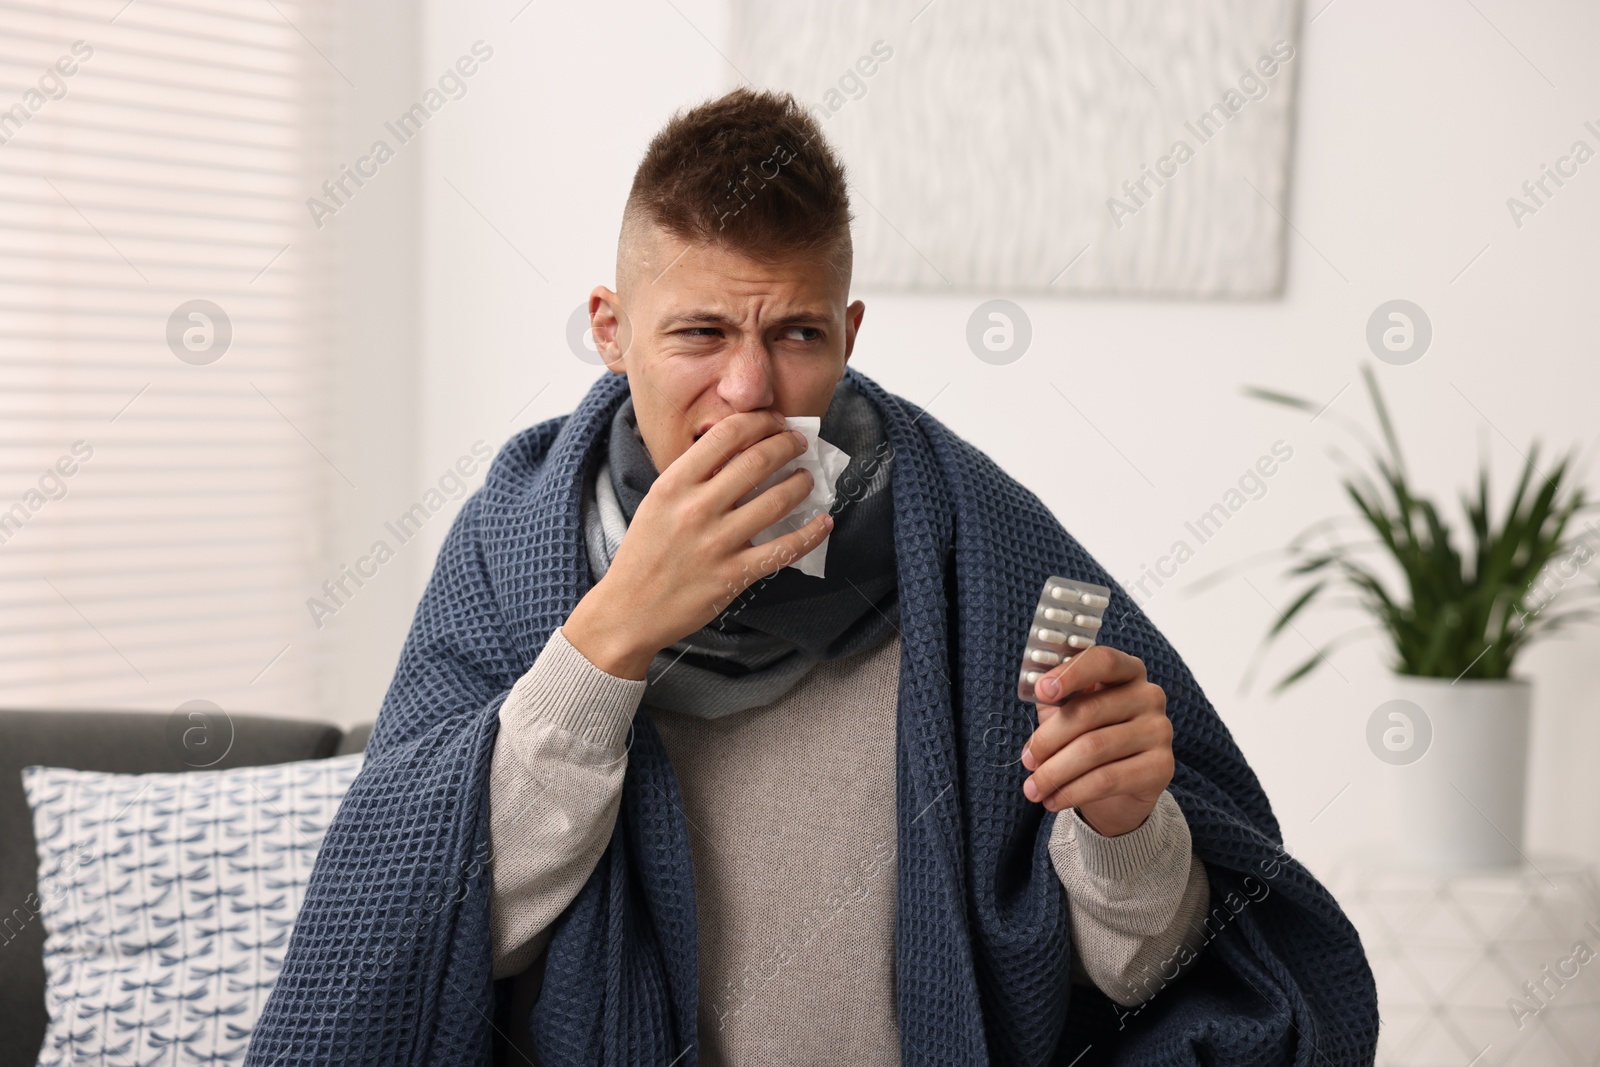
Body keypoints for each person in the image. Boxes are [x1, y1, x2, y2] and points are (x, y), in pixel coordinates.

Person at [246, 89, 1378, 1067]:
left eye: (793, 333)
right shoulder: (511, 545)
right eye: (696, 332)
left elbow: (1147, 972)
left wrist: (1126, 828)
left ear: (848, 331)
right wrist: (611, 637)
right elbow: (430, 936)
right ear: (610, 329)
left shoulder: (980, 546)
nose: (748, 390)